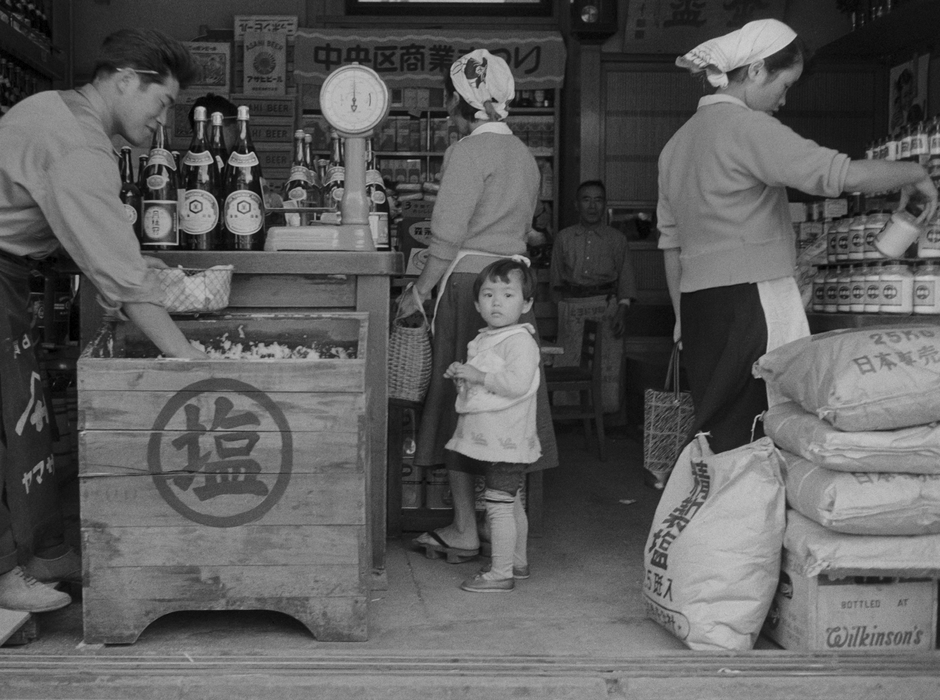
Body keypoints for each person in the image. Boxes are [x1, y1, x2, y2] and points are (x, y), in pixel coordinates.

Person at [657, 19, 938, 458]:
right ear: (754, 72)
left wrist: (679, 315)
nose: (784, 100)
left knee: (719, 429)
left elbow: (670, 243)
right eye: (785, 84)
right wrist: (916, 172)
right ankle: (743, 521)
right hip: (752, 299)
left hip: (698, 306)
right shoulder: (746, 128)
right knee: (765, 425)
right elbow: (840, 174)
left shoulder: (676, 144)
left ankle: (714, 514)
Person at [0, 29, 207, 613]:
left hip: (13, 275)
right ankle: (5, 574)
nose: (162, 119)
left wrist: (130, 260)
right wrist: (188, 359)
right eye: (161, 102)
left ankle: (42, 554)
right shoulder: (77, 147)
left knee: (26, 421)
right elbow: (120, 281)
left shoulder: (55, 112)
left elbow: (83, 235)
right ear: (123, 81)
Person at [398, 49, 558, 562]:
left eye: (449, 100)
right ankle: (505, 526)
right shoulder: (525, 157)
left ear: (463, 100)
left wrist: (417, 293)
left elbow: (445, 239)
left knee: (461, 405)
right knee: (512, 405)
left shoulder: (466, 152)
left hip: (471, 286)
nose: (446, 111)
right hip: (515, 286)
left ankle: (466, 528)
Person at [444, 258, 540, 592]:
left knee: (498, 506)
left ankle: (500, 574)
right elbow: (482, 385)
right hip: (496, 438)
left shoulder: (520, 341)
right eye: (488, 294)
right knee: (510, 502)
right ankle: (517, 562)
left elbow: (516, 383)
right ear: (477, 303)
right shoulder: (488, 338)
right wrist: (462, 375)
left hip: (507, 439)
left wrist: (478, 376)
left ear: (526, 304)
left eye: (508, 295)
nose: (496, 302)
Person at [550, 180, 637, 337]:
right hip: (572, 306)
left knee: (606, 359)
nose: (592, 206)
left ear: (605, 205)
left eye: (598, 200)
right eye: (586, 200)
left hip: (607, 306)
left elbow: (627, 280)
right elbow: (556, 282)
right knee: (570, 359)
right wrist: (562, 312)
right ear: (577, 205)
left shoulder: (617, 239)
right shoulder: (564, 238)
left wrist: (621, 312)